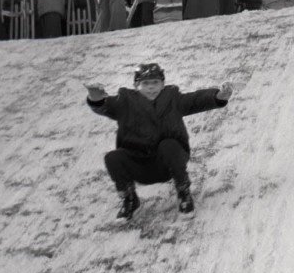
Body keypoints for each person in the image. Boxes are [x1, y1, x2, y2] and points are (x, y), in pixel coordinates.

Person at [85, 62, 233, 219]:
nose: (151, 87)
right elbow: (105, 106)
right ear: (136, 85)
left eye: (155, 82)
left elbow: (195, 100)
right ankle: (130, 199)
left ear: (163, 84)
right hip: (139, 164)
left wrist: (218, 96)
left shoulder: (173, 99)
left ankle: (183, 193)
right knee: (112, 158)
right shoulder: (125, 102)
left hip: (167, 163)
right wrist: (95, 97)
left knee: (169, 145)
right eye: (145, 83)